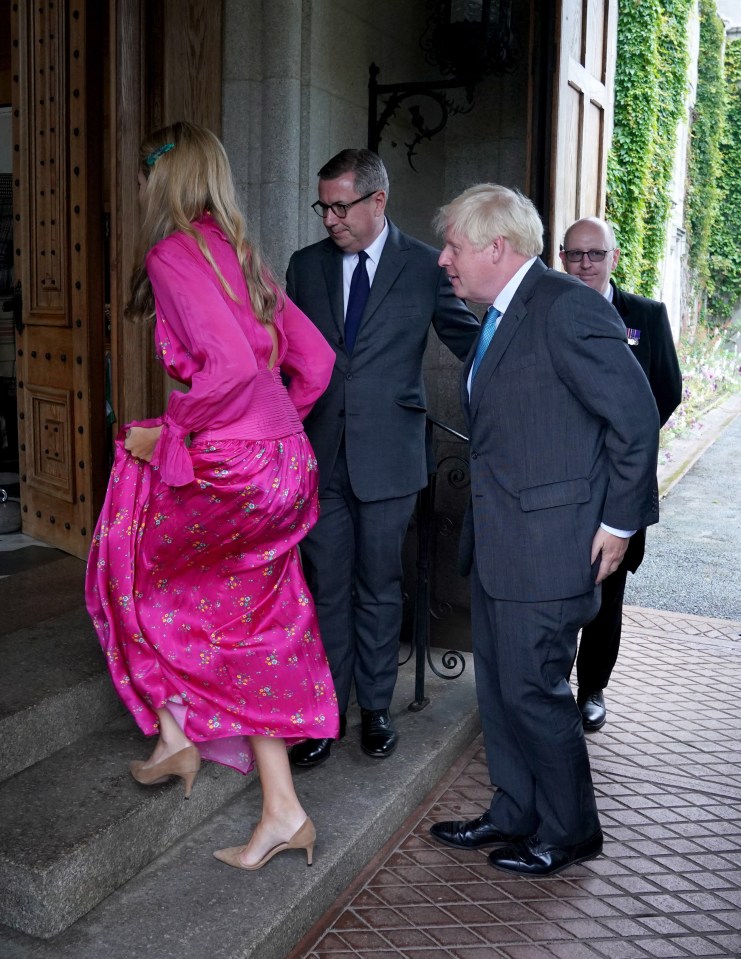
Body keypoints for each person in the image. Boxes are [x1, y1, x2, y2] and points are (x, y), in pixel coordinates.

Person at [85, 121, 339, 872]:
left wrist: (172, 437)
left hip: (237, 463)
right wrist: (271, 423)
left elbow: (224, 370)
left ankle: (173, 728)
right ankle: (282, 808)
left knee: (123, 562)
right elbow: (317, 362)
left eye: (141, 175)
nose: (137, 189)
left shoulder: (171, 254)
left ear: (162, 180)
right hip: (288, 463)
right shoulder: (242, 257)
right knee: (248, 620)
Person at [429, 185, 660, 876]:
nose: (444, 260)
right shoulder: (500, 313)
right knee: (499, 689)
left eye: (454, 247)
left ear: (496, 248)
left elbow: (634, 419)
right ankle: (514, 810)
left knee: (533, 689)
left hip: (550, 545)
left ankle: (570, 829)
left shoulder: (567, 307)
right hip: (501, 543)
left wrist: (617, 523)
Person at [285, 149, 478, 766]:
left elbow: (469, 339)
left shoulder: (424, 267)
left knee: (379, 586)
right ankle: (325, 714)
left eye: (341, 206)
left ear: (378, 202)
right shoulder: (305, 267)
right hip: (322, 458)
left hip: (391, 460)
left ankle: (374, 710)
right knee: (326, 588)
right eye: (324, 206)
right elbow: (285, 357)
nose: (330, 219)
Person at [560, 217, 682, 731]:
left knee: (607, 594)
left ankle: (592, 688)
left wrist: (620, 442)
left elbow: (667, 390)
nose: (584, 263)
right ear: (562, 258)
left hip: (619, 484)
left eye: (595, 254)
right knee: (559, 588)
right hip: (563, 484)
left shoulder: (645, 316)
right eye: (574, 254)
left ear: (613, 257)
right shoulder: (549, 309)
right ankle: (549, 686)